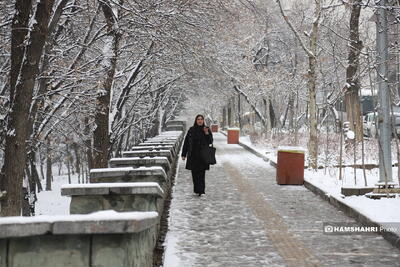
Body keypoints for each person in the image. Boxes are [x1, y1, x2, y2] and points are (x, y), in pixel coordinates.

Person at [181, 114, 213, 196]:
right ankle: (196, 190)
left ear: (203, 120)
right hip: (193, 155)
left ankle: (201, 191)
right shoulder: (191, 130)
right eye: (198, 119)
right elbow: (186, 142)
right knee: (194, 174)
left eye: (201, 119)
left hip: (203, 156)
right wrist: (184, 154)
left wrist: (206, 133)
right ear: (196, 120)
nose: (200, 121)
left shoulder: (206, 129)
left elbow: (210, 141)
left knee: (202, 174)